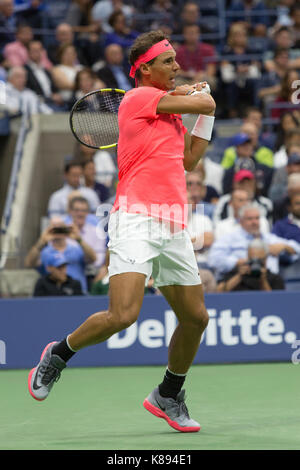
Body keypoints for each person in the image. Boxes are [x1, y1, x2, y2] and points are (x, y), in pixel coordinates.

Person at [28, 29, 217, 433]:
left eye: (175, 60)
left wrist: (205, 112)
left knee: (196, 317)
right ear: (145, 68)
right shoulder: (137, 98)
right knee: (123, 314)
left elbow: (190, 161)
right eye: (168, 61)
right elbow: (200, 98)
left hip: (173, 222)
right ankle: (58, 354)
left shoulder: (167, 114)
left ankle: (168, 393)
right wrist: (201, 98)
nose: (176, 66)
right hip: (135, 218)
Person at [208, 203, 300, 280]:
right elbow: (213, 259)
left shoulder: (269, 238)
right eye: (250, 219)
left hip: (270, 281)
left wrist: (284, 246)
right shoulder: (230, 238)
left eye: (257, 218)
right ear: (241, 221)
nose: (254, 222)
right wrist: (240, 262)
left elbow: (297, 248)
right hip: (240, 280)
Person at [25, 218, 97, 292]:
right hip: (52, 292)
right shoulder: (45, 252)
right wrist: (42, 241)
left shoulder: (76, 249)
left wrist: (78, 239)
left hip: (76, 292)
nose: (58, 231)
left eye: (61, 228)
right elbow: (29, 263)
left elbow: (93, 258)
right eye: (55, 228)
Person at [217, 238, 285, 292]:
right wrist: (239, 276)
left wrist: (263, 280)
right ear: (247, 257)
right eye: (252, 260)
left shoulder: (275, 278)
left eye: (259, 260)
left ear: (266, 259)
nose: (255, 263)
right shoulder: (236, 273)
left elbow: (275, 301)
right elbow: (218, 293)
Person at [175, 24, 217, 89]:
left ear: (199, 34)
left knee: (211, 81)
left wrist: (202, 75)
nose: (191, 35)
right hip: (185, 79)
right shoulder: (178, 51)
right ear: (184, 35)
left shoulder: (208, 49)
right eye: (189, 33)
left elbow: (211, 70)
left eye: (194, 33)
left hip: (203, 78)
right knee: (176, 83)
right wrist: (186, 74)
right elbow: (175, 71)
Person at [24, 40, 63, 109]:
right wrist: (49, 98)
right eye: (34, 50)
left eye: (40, 50)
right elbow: (28, 92)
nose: (38, 53)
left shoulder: (46, 71)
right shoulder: (24, 70)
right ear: (28, 52)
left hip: (53, 103)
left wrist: (57, 95)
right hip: (37, 105)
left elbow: (54, 89)